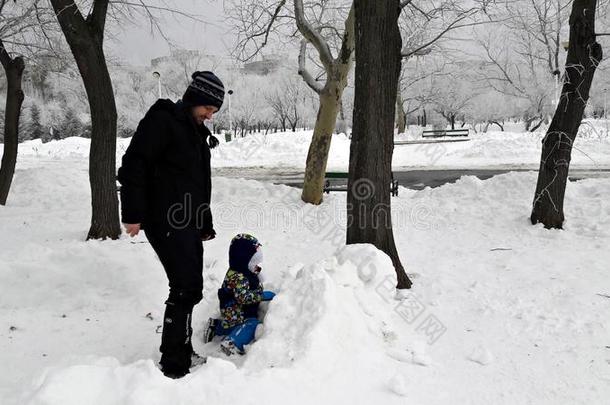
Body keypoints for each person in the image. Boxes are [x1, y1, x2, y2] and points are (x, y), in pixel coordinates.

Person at [117, 71, 224, 379]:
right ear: (195, 99)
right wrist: (133, 213)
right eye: (208, 108)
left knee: (191, 286)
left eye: (214, 112)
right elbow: (134, 164)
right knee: (184, 286)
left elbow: (199, 184)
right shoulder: (163, 121)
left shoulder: (195, 132)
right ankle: (174, 361)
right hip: (163, 218)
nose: (210, 115)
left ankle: (181, 349)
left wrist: (203, 222)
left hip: (187, 220)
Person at [203, 234, 276, 355]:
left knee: (232, 325)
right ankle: (231, 344)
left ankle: (215, 326)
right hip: (237, 311)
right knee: (252, 325)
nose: (256, 265)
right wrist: (262, 295)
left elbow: (256, 279)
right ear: (244, 259)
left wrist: (257, 273)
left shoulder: (243, 269)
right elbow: (243, 298)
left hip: (239, 311)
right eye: (253, 262)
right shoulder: (239, 277)